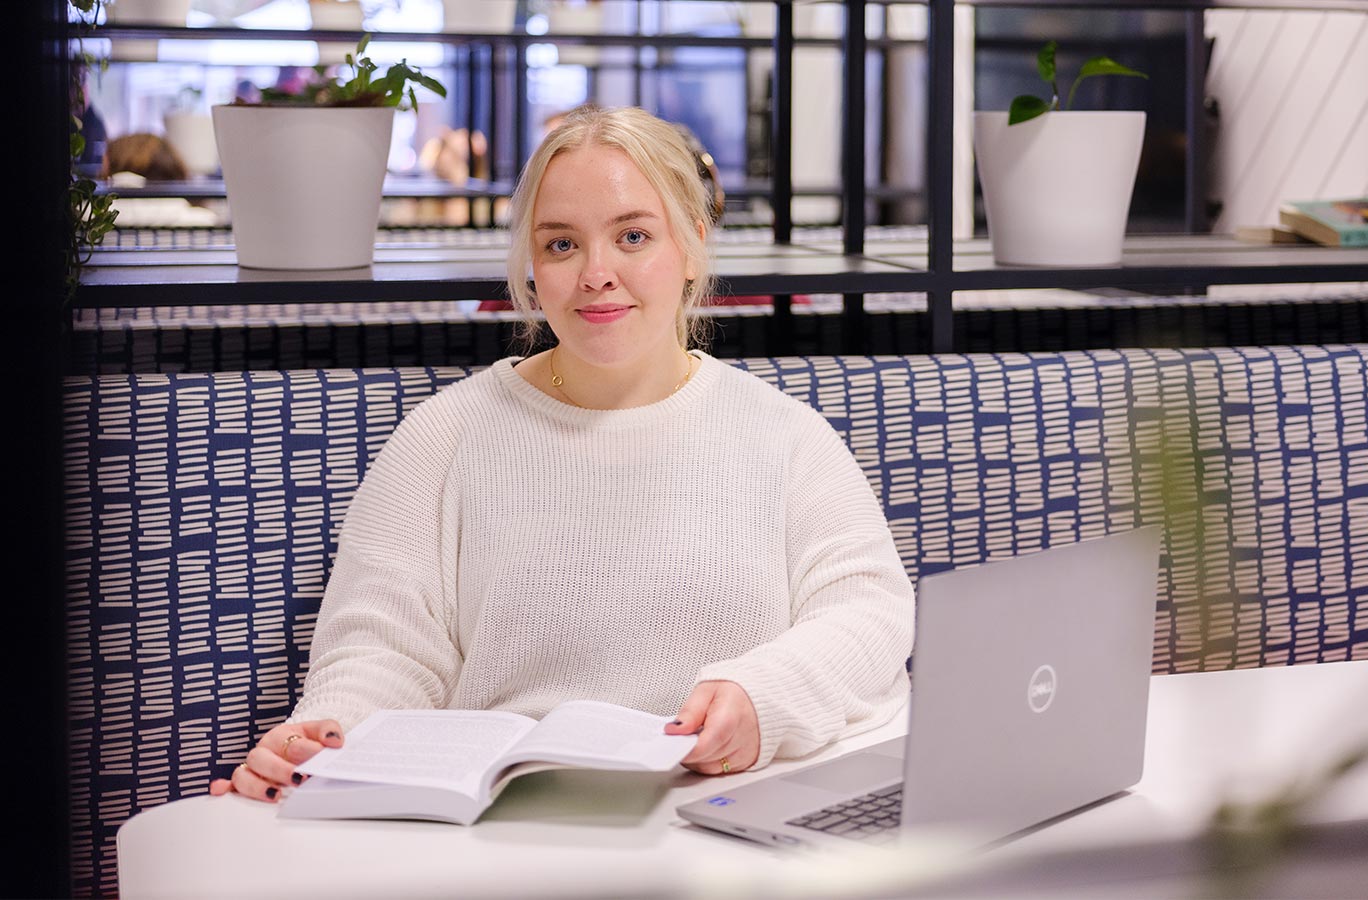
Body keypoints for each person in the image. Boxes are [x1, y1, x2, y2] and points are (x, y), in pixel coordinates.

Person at [210, 105, 915, 802]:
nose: (595, 273)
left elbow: (869, 611)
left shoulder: (786, 436)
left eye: (633, 236)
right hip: (515, 828)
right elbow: (383, 649)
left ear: (694, 246)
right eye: (561, 245)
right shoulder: (443, 438)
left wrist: (764, 699)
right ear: (531, 265)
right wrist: (324, 739)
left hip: (733, 815)